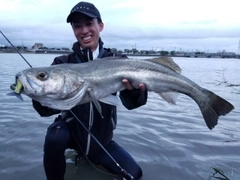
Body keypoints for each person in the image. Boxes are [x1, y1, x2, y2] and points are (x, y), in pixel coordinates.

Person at [32, 1, 148, 180]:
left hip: (102, 141)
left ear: (100, 26)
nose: (84, 30)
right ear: (73, 30)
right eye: (77, 26)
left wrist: (133, 93)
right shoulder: (61, 63)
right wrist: (38, 95)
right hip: (71, 134)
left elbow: (133, 104)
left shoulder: (118, 60)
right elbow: (45, 111)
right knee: (54, 138)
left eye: (89, 23)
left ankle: (93, 155)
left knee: (136, 174)